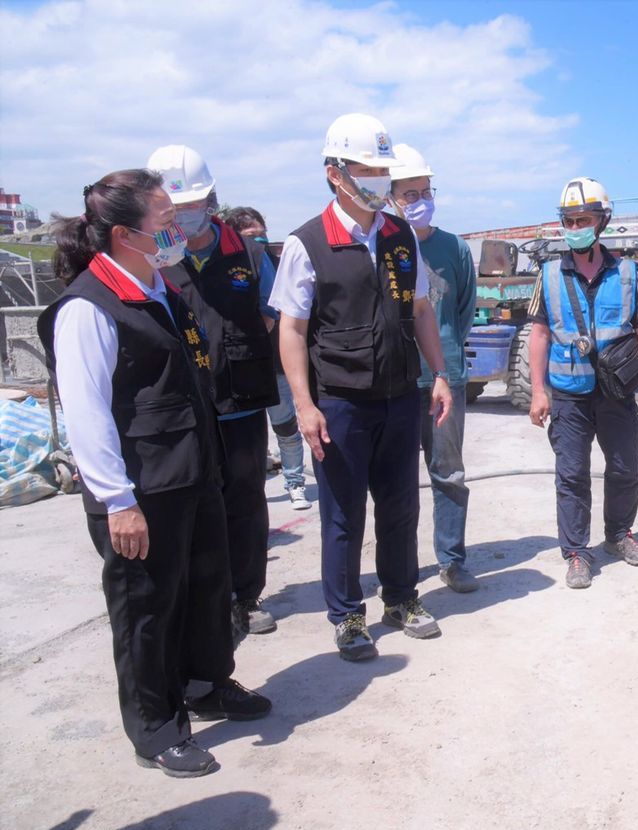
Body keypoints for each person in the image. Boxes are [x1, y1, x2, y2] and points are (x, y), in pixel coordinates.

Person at [37, 169, 269, 778]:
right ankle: (155, 727)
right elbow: (87, 414)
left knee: (205, 589)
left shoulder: (159, 288)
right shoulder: (88, 308)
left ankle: (206, 683)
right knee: (147, 609)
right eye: (166, 223)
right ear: (124, 234)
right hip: (142, 490)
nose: (178, 232)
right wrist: (117, 501)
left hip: (192, 473)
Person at [270, 113, 453, 661]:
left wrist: (439, 373)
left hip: (399, 395)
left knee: (400, 507)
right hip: (340, 402)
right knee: (343, 516)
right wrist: (304, 404)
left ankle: (401, 598)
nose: (377, 179)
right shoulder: (306, 243)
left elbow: (421, 309)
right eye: (366, 169)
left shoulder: (399, 235)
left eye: (381, 169)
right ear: (335, 173)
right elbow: (291, 330)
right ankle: (348, 615)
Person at [145, 146, 281, 636]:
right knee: (197, 505)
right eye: (174, 208)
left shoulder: (248, 252)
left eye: (193, 204)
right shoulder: (154, 257)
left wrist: (235, 345)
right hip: (184, 407)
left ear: (212, 199)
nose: (185, 215)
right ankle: (208, 600)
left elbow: (274, 310)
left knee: (246, 500)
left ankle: (246, 595)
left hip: (241, 400)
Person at [527, 177, 638, 589]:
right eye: (569, 221)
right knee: (571, 474)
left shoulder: (626, 272)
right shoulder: (549, 275)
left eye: (583, 219)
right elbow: (539, 334)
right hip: (569, 395)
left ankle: (618, 535)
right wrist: (537, 391)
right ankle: (576, 553)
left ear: (602, 221)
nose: (575, 228)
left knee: (624, 468)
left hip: (617, 392)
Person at [388, 144, 479, 594]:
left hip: (446, 379)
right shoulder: (383, 245)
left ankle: (452, 560)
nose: (420, 200)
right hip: (396, 382)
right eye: (410, 193)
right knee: (397, 481)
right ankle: (401, 570)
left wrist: (444, 359)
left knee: (448, 473)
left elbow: (463, 312)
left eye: (426, 191)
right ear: (390, 198)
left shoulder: (454, 248)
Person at [223, 205, 311, 511]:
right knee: (247, 435)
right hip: (237, 367)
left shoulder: (274, 263)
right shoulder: (224, 269)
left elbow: (276, 312)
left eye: (262, 235)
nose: (259, 242)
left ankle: (295, 483)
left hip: (274, 363)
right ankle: (251, 488)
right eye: (251, 237)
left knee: (285, 427)